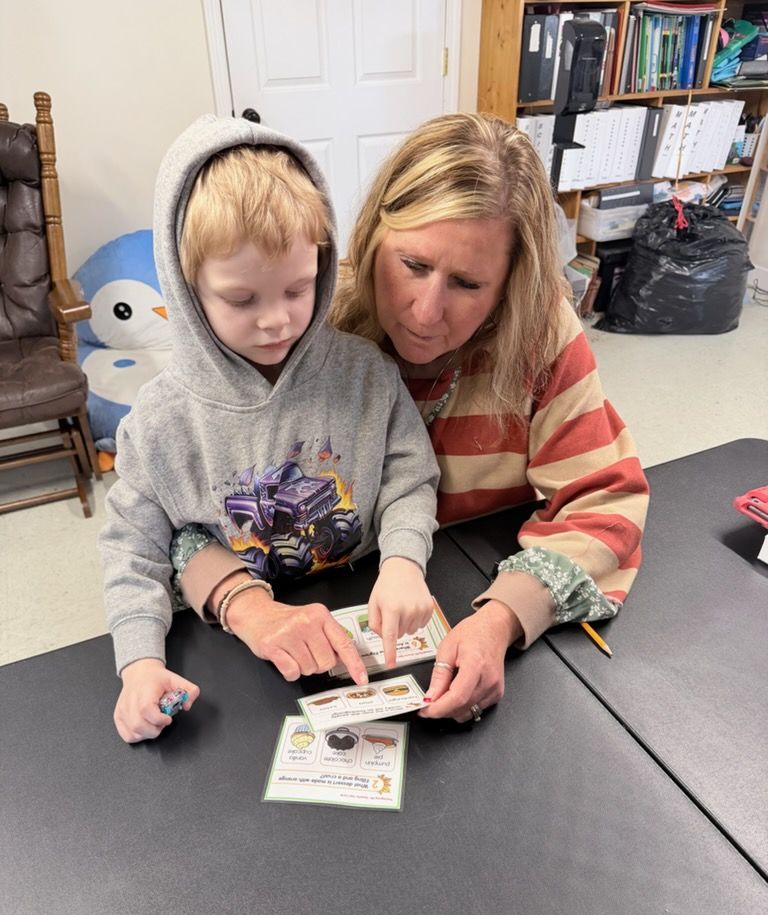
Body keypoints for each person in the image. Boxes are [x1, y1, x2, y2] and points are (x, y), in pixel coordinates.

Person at [172, 112, 650, 724]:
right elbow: (179, 512)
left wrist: (502, 619)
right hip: (303, 614)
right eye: (413, 266)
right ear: (372, 238)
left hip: (459, 590)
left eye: (469, 283)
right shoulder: (299, 323)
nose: (425, 312)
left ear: (510, 286)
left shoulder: (541, 334)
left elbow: (605, 499)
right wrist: (246, 608)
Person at [99, 114, 440, 743]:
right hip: (234, 650)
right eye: (241, 299)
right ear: (186, 288)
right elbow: (131, 548)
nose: (276, 321)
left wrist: (403, 562)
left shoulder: (366, 371)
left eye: (299, 288)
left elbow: (410, 476)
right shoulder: (160, 420)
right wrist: (140, 662)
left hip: (366, 613)